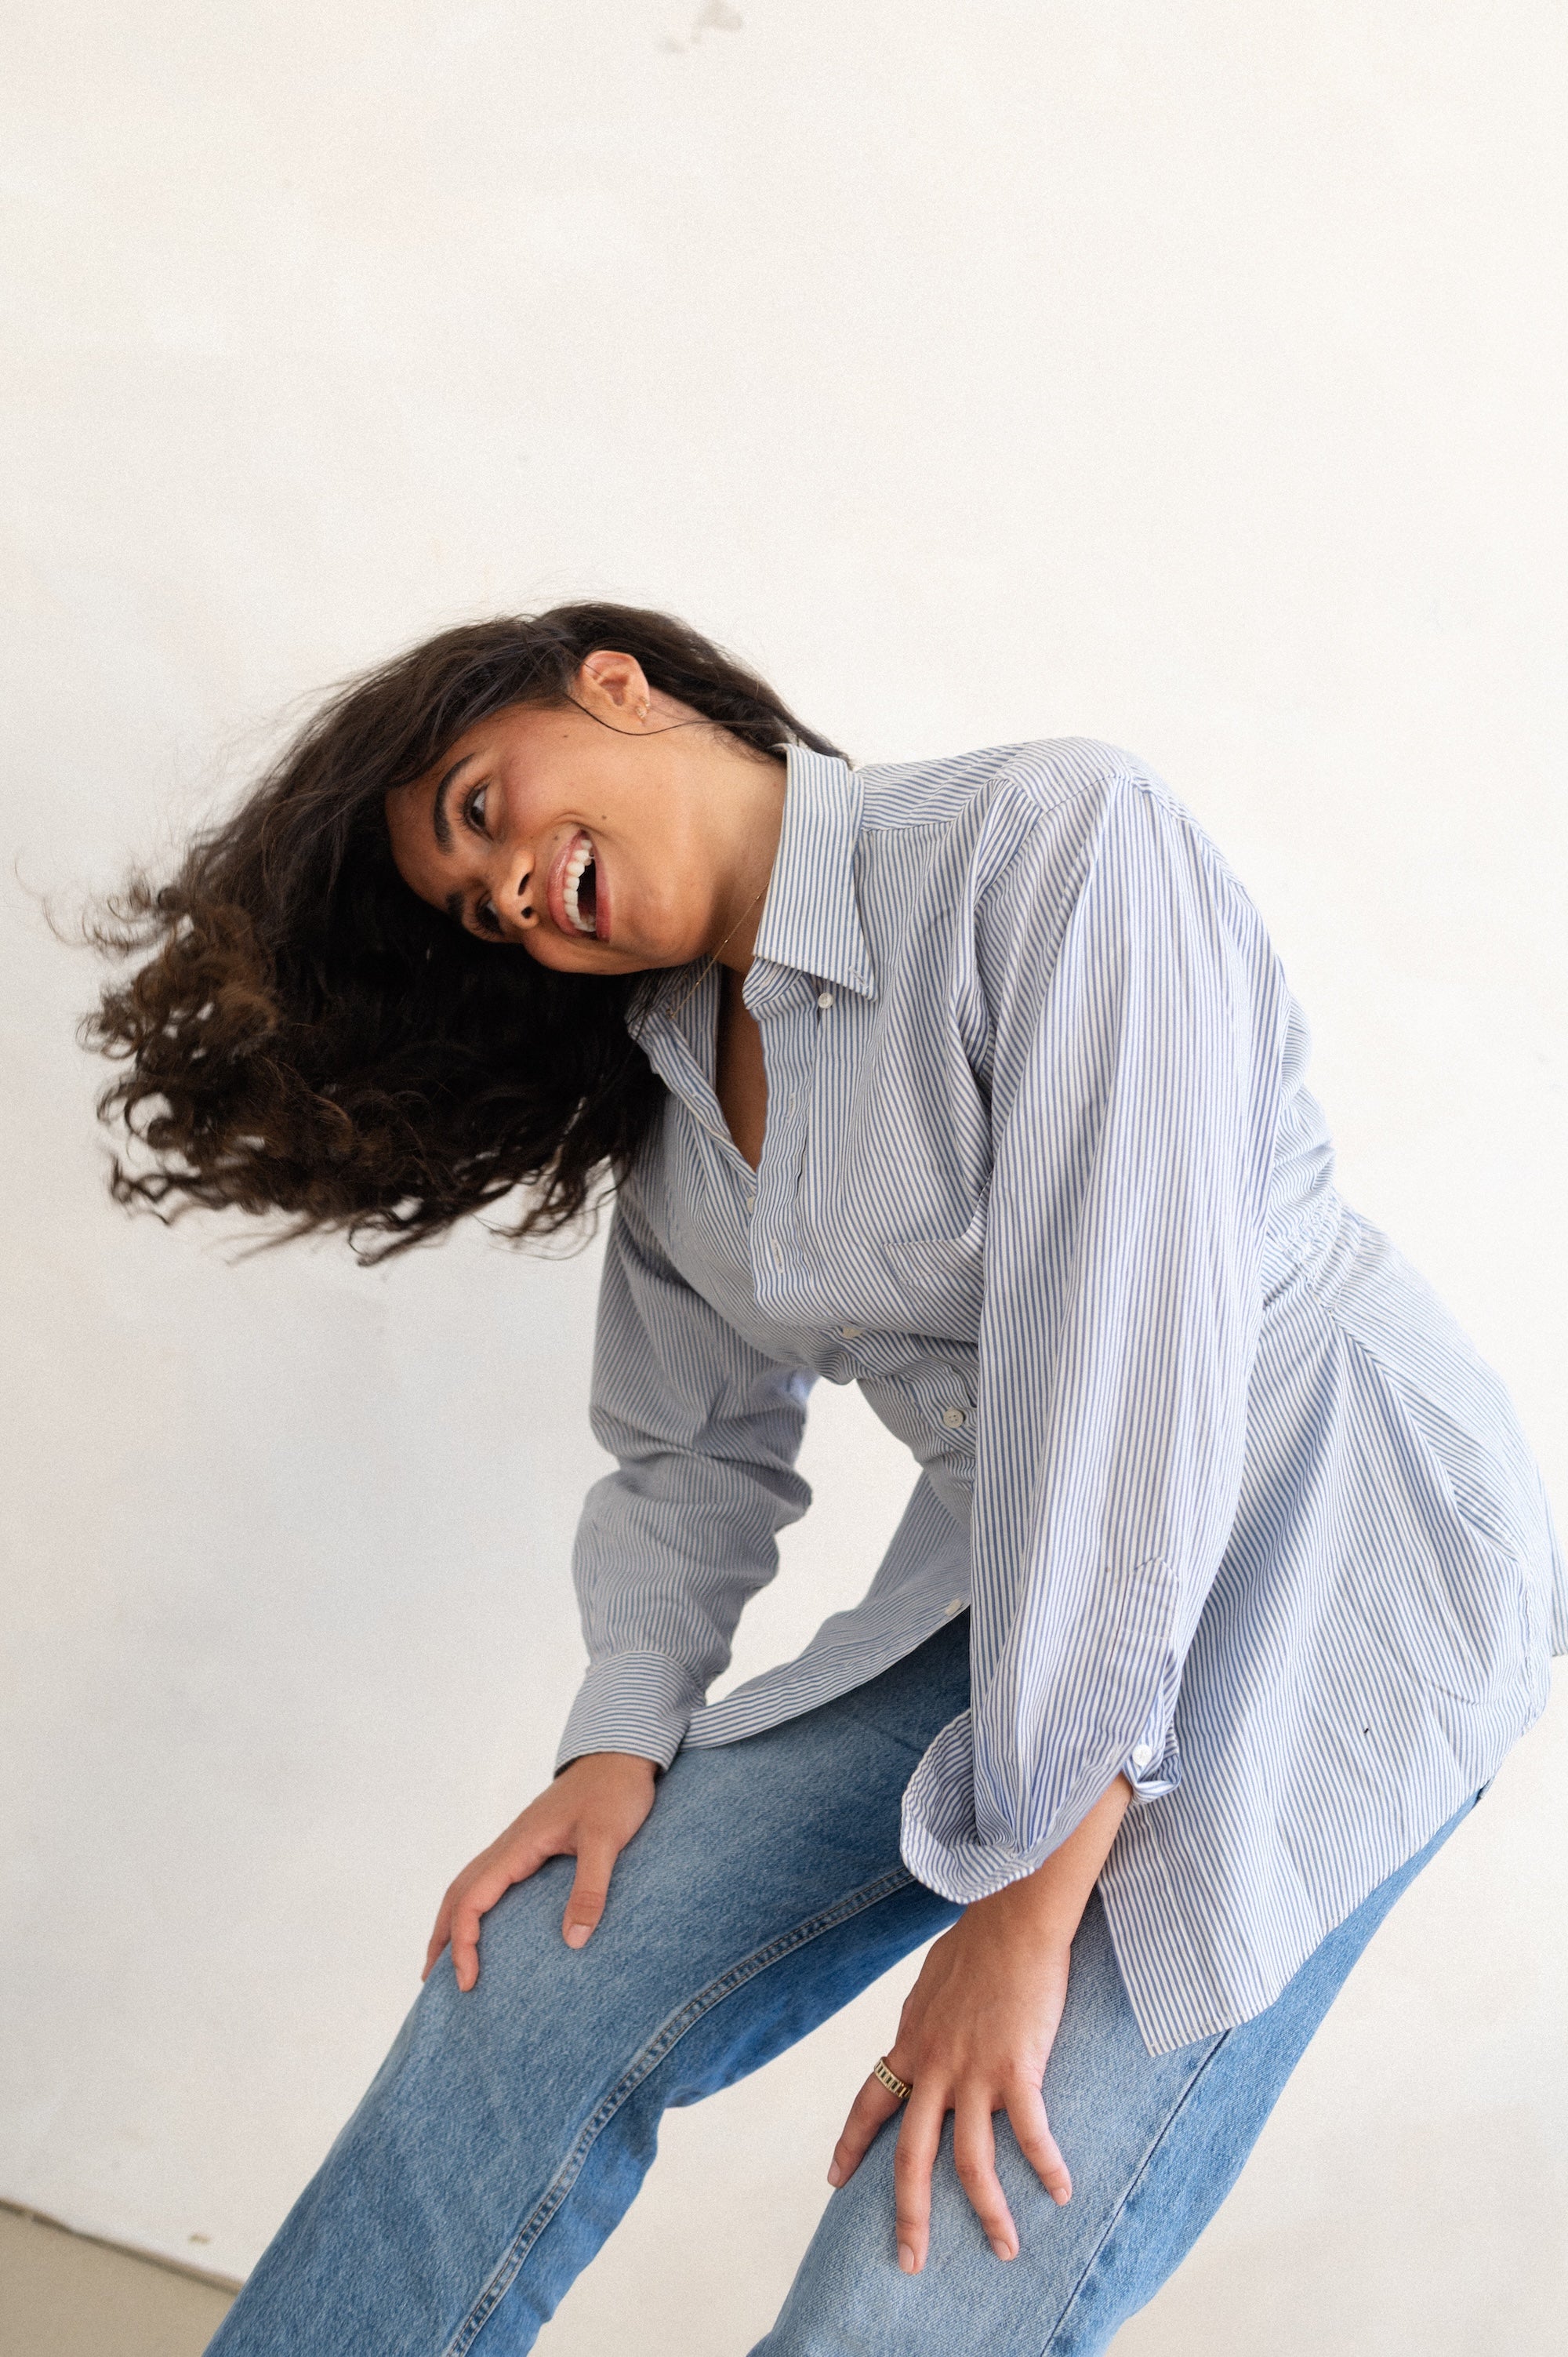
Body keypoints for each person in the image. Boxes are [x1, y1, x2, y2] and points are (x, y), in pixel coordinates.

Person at [88, 604, 1563, 2355]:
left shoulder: (1053, 842)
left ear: (610, 682)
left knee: (930, 2243)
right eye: (474, 909)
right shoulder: (669, 1093)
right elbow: (687, 1444)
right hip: (1022, 1585)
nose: (503, 894)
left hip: (1333, 1546)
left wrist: (1025, 1910)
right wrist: (618, 1740)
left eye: (482, 811)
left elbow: (1131, 1362)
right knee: (530, 1982)